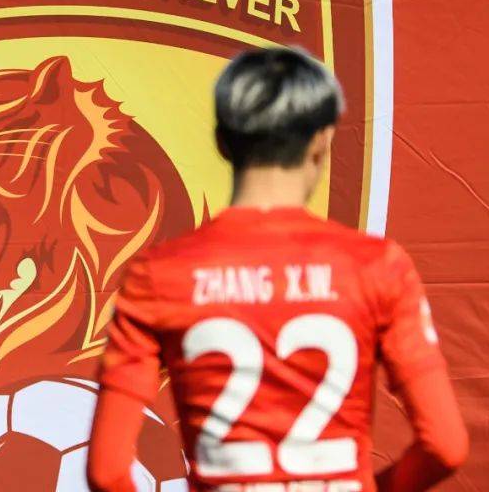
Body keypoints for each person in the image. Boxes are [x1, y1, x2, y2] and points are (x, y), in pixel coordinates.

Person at [87, 48, 468, 492]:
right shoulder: (377, 266)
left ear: (221, 142)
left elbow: (108, 471)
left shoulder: (159, 274)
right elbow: (445, 446)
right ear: (322, 140)